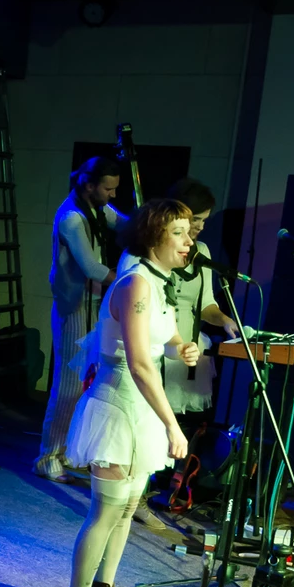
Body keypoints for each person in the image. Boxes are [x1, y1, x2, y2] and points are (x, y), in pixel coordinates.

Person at [57, 198, 202, 587]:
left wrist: (181, 347)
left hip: (142, 409)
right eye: (179, 233)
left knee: (125, 511)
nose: (189, 241)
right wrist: (173, 425)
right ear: (154, 236)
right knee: (106, 511)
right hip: (119, 406)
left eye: (189, 232)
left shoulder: (157, 282)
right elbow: (139, 364)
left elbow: (164, 337)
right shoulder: (136, 283)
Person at [116, 178, 239, 531]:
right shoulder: (139, 264)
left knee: (183, 424)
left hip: (183, 345)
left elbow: (207, 304)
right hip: (150, 346)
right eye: (193, 221)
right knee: (151, 417)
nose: (197, 230)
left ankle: (164, 491)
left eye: (201, 222)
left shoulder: (202, 254)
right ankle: (133, 496)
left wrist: (225, 320)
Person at [35, 157, 126, 482]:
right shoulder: (72, 218)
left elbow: (125, 224)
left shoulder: (97, 209)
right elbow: (91, 267)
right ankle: (48, 456)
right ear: (89, 185)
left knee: (90, 381)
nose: (113, 195)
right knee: (69, 385)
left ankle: (69, 452)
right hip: (74, 306)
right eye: (108, 189)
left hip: (94, 303)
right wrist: (128, 281)